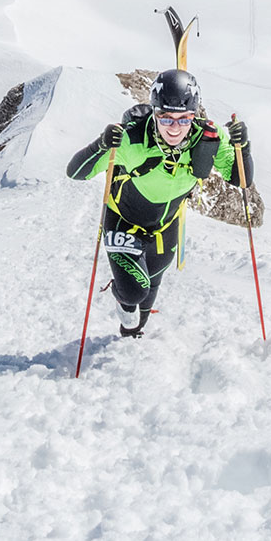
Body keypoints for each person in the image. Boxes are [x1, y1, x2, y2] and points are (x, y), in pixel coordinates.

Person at [66, 68, 251, 338]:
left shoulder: (208, 140)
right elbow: (76, 172)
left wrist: (242, 147)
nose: (175, 128)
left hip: (165, 226)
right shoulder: (133, 140)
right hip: (124, 221)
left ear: (194, 116)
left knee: (150, 288)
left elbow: (240, 180)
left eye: (184, 119)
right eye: (166, 119)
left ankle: (132, 334)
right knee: (133, 292)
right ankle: (122, 294)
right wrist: (101, 145)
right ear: (154, 114)